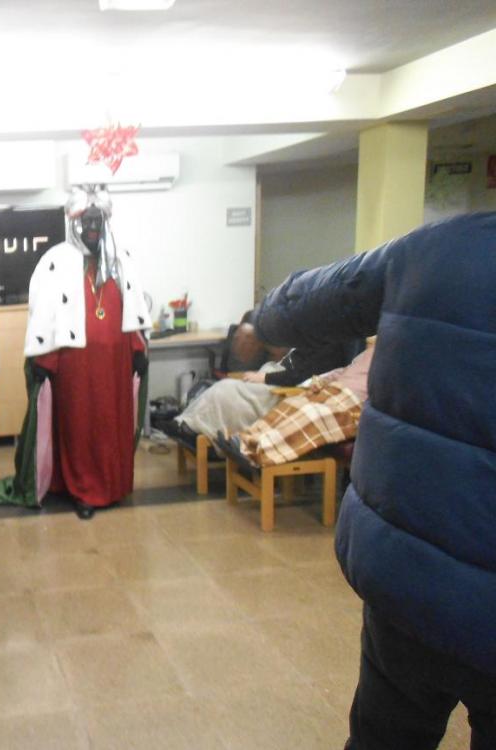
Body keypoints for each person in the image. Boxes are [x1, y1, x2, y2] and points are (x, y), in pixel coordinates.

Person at [248, 211, 496, 749]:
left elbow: (302, 303)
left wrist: (260, 321)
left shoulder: (441, 250)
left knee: (384, 734)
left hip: (408, 577)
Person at [0, 186, 151, 518]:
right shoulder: (56, 261)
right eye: (86, 220)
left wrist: (137, 348)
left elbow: (133, 306)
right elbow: (45, 314)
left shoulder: (120, 260)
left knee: (112, 428)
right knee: (81, 429)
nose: (92, 227)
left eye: (98, 220)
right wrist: (45, 358)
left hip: (115, 365)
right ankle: (82, 490)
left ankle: (114, 486)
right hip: (75, 367)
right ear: (74, 222)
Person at [168, 327, 360, 445]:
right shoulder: (314, 336)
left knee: (225, 390)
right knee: (221, 388)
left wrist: (266, 377)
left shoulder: (331, 345)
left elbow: (300, 376)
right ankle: (185, 422)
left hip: (284, 390)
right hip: (275, 376)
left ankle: (192, 427)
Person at [213, 343, 374, 467]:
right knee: (293, 403)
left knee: (312, 413)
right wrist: (320, 380)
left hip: (355, 402)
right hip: (334, 390)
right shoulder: (370, 352)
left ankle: (257, 453)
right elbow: (345, 370)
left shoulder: (386, 361)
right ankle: (245, 439)